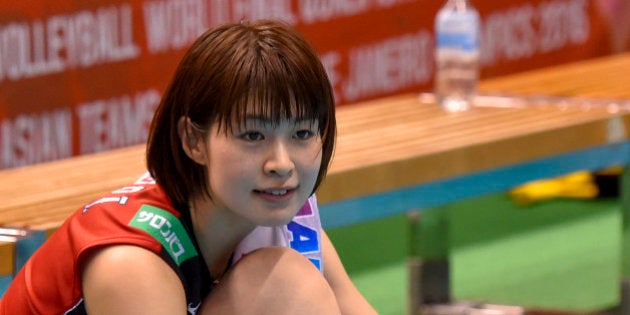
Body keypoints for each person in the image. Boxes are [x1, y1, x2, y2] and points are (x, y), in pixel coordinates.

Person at [0, 19, 377, 315]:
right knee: (288, 287)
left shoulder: (275, 213)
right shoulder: (133, 264)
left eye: (301, 133)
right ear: (193, 140)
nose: (281, 164)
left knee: (287, 283)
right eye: (252, 136)